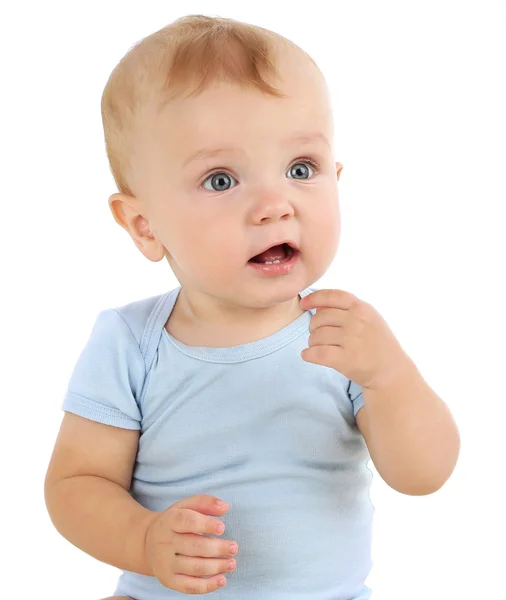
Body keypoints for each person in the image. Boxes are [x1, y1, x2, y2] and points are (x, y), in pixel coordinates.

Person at [44, 14, 460, 600]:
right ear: (144, 225)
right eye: (220, 180)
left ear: (336, 178)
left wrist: (391, 378)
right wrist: (145, 541)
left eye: (300, 169)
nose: (274, 205)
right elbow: (75, 484)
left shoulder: (346, 338)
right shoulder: (131, 342)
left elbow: (424, 475)